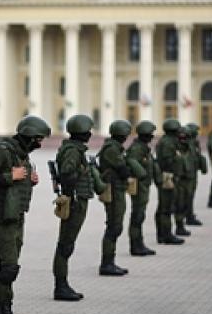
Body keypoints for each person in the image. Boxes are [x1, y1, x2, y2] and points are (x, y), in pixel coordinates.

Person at [0, 115, 50, 314]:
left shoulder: (22, 155)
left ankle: (6, 312)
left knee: (12, 267)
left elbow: (17, 184)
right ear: (27, 136)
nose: (40, 143)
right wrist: (11, 176)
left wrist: (30, 180)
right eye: (37, 139)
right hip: (2, 217)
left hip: (16, 217)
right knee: (8, 268)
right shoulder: (2, 151)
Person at [52, 114, 95, 301]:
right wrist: (83, 171)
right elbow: (67, 174)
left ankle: (62, 284)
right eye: (88, 131)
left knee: (67, 244)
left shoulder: (74, 149)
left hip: (76, 200)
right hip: (75, 202)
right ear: (82, 132)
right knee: (65, 245)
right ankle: (61, 286)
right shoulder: (73, 152)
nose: (90, 134)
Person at [98, 119, 132, 275]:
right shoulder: (111, 148)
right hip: (113, 190)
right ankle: (107, 264)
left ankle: (109, 261)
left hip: (117, 189)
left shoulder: (115, 147)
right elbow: (122, 168)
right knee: (114, 226)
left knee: (115, 225)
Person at [126, 120, 157, 256]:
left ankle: (139, 243)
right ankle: (135, 245)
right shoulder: (137, 149)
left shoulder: (143, 147)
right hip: (139, 186)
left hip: (144, 186)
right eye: (150, 134)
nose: (152, 137)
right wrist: (142, 174)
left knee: (140, 214)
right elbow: (131, 161)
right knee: (137, 215)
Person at [155, 119, 185, 244]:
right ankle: (166, 235)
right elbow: (168, 161)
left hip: (168, 176)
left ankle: (163, 234)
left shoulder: (169, 141)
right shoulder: (168, 143)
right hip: (168, 176)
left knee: (165, 206)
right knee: (166, 207)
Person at [173, 126, 195, 237]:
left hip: (188, 178)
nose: (183, 139)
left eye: (185, 136)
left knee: (187, 201)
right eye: (181, 136)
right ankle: (179, 226)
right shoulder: (174, 147)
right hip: (179, 179)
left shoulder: (190, 147)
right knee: (179, 203)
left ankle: (183, 223)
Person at [185, 123, 207, 226]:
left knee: (191, 195)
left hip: (193, 173)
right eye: (196, 131)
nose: (197, 133)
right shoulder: (187, 143)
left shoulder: (194, 143)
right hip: (187, 175)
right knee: (187, 196)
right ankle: (188, 216)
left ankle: (190, 214)